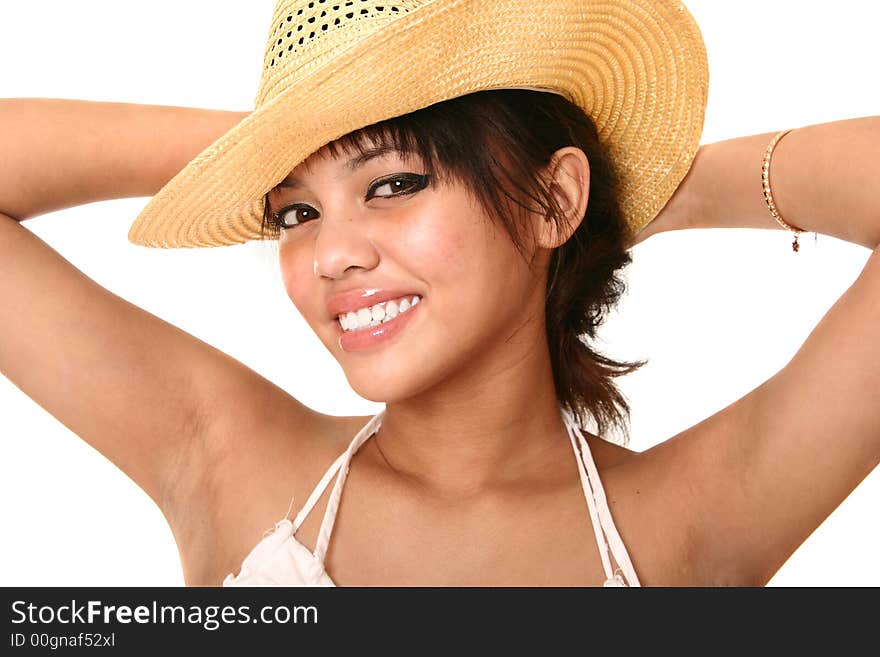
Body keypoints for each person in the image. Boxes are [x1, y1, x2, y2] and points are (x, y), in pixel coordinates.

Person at [1, 0, 877, 586]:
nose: (330, 255)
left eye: (394, 184)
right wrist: (283, 137)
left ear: (552, 197)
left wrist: (649, 193)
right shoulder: (224, 459)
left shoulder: (693, 519)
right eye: (296, 210)